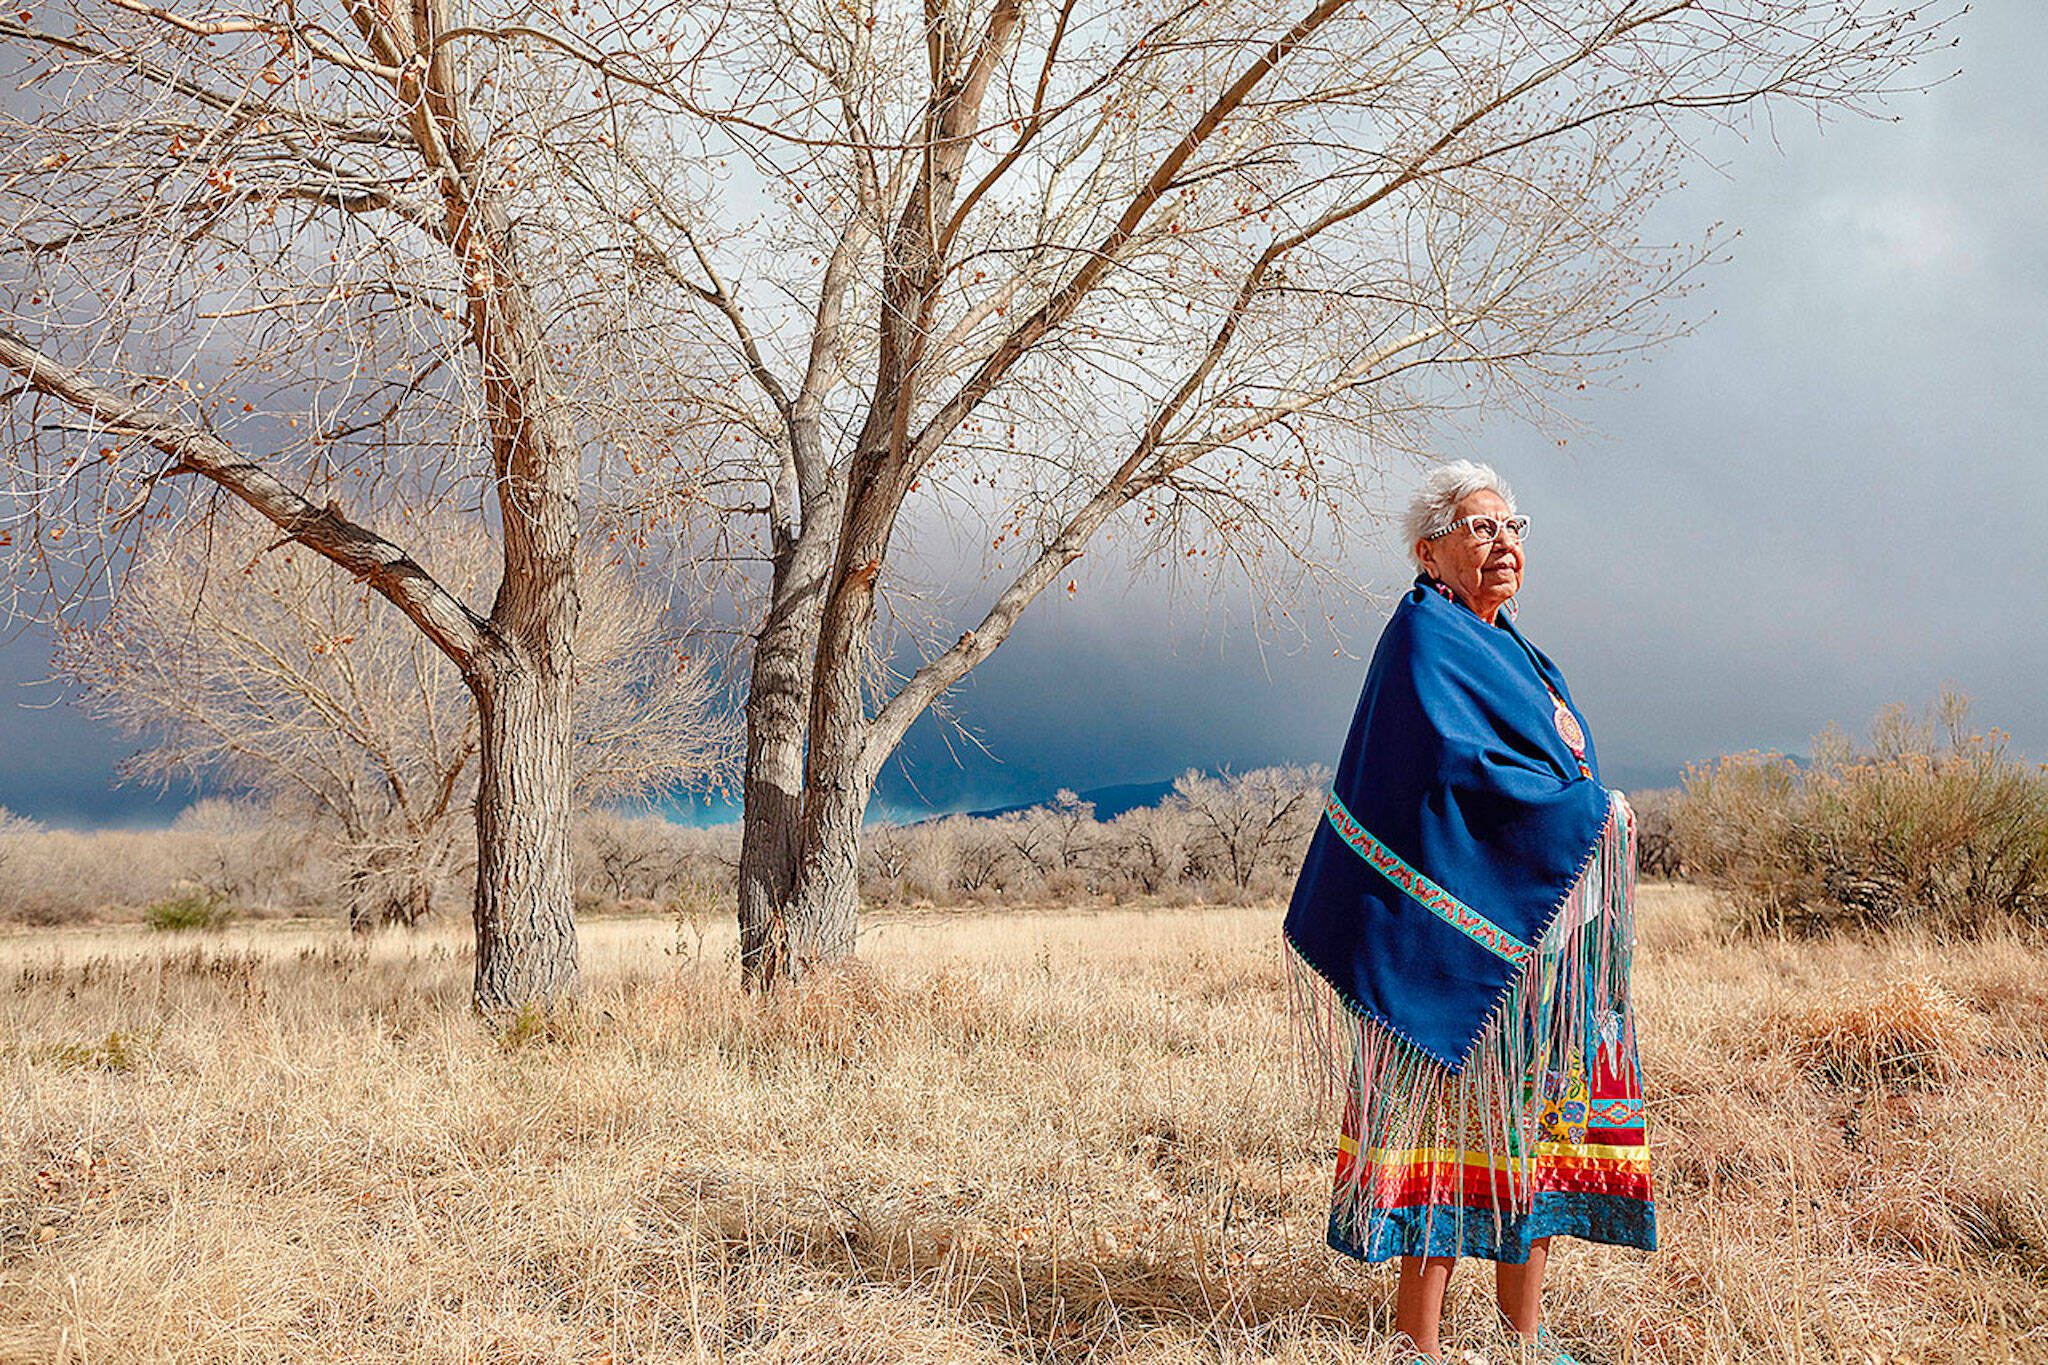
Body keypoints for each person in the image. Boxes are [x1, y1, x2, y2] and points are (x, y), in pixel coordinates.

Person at [1283, 461, 1655, 1365]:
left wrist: (1591, 809)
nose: (1504, 544)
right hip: (1442, 957)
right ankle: (1419, 1348)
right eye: (1480, 528)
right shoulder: (1424, 639)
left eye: (1513, 526)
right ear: (1430, 550)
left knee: (1524, 1131)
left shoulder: (1521, 653)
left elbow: (1550, 767)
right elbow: (1459, 771)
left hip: (1531, 949)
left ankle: (1525, 1340)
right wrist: (1588, 813)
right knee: (1440, 1149)